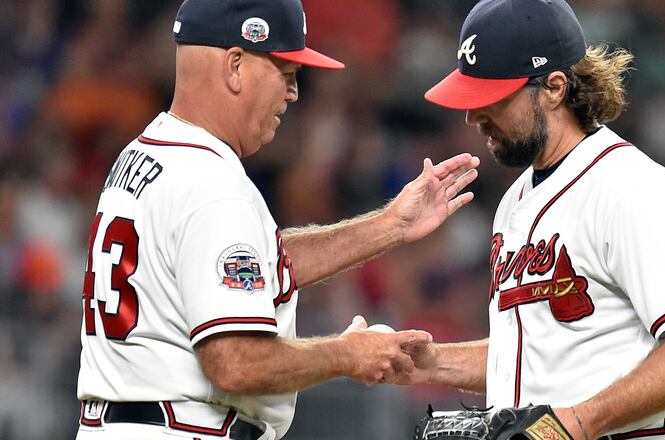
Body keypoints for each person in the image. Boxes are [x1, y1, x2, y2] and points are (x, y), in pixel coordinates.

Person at [75, 1, 480, 439]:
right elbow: (234, 361)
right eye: (285, 74)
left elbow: (246, 264)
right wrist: (347, 355)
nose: (293, 94)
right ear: (235, 66)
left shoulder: (147, 153)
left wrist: (390, 225)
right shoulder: (212, 183)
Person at [392, 1, 665, 439]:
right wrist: (435, 364)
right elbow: (545, 353)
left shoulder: (627, 185)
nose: (473, 116)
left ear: (555, 87)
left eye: (491, 98)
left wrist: (575, 423)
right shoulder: (514, 200)